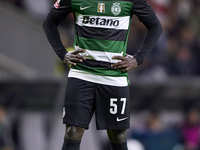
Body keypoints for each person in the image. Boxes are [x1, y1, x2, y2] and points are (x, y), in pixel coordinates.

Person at [43, 0, 162, 149]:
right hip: (81, 74)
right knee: (73, 131)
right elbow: (48, 22)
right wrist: (62, 53)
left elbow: (155, 26)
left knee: (117, 135)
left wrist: (138, 59)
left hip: (114, 77)